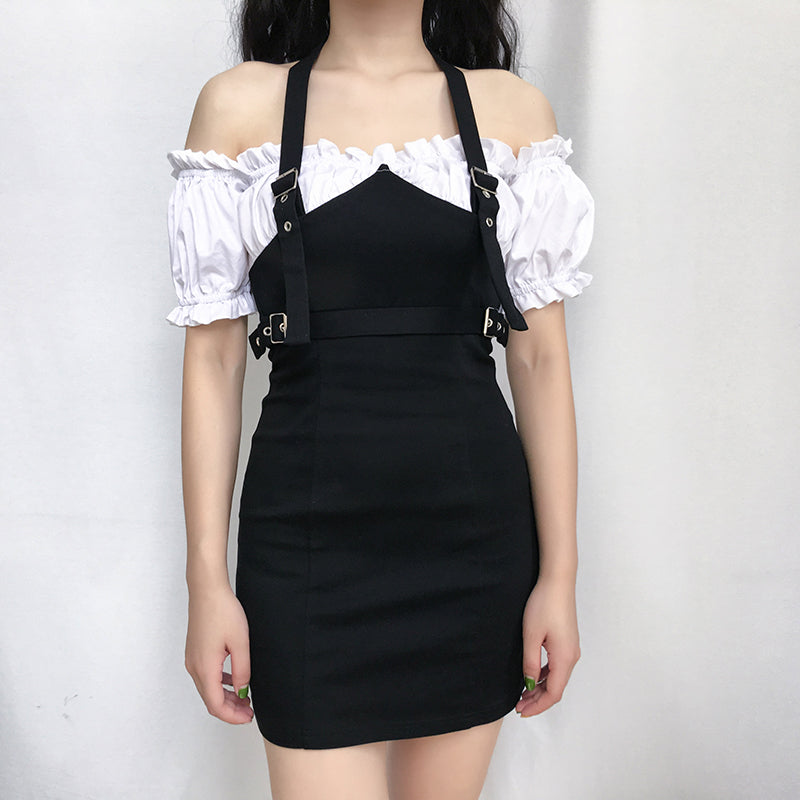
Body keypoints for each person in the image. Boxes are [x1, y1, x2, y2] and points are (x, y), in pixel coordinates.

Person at [165, 1, 594, 797]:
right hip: (305, 546)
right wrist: (206, 581)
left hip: (473, 545)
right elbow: (214, 361)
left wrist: (560, 576)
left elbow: (540, 359)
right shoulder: (238, 108)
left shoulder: (512, 113)